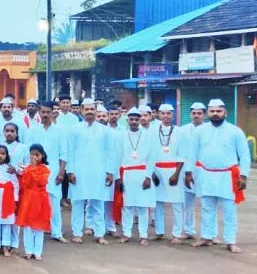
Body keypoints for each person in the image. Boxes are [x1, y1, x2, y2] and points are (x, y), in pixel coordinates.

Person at [185, 99, 250, 253]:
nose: (215, 114)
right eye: (212, 111)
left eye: (218, 111)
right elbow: (192, 153)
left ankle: (230, 241)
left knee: (229, 210)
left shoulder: (235, 131)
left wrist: (243, 176)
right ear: (208, 113)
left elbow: (244, 155)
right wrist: (188, 172)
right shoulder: (200, 131)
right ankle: (207, 237)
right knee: (207, 208)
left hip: (227, 176)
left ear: (225, 113)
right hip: (206, 174)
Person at [67, 98, 113, 244]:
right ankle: (77, 233)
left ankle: (99, 234)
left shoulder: (105, 130)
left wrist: (110, 172)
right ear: (81, 110)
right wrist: (70, 171)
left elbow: (110, 153)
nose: (89, 112)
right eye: (86, 109)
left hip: (99, 171)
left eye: (92, 109)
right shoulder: (74, 129)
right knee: (78, 203)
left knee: (98, 203)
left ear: (96, 111)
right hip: (78, 172)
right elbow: (70, 151)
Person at [24, 101, 67, 242]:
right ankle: (37, 229)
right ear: (39, 112)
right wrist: (30, 170)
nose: (45, 115)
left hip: (53, 170)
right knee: (36, 201)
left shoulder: (60, 131)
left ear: (53, 112)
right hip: (36, 171)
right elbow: (28, 152)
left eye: (48, 112)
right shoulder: (33, 130)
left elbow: (63, 153)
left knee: (54, 202)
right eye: (43, 112)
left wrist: (61, 172)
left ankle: (57, 232)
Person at [114, 107, 154, 246]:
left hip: (143, 174)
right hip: (127, 174)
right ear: (127, 120)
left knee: (143, 207)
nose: (134, 122)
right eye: (131, 119)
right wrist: (118, 178)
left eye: (137, 119)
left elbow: (151, 158)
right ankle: (126, 233)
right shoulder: (121, 136)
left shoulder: (147, 136)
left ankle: (143, 235)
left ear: (140, 120)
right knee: (127, 206)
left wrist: (148, 177)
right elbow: (117, 157)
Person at [151, 103, 185, 243]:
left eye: (168, 113)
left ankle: (176, 234)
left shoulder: (179, 132)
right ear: (159, 114)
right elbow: (149, 154)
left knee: (176, 203)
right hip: (157, 171)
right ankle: (159, 232)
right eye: (163, 113)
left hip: (173, 171)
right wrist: (152, 173)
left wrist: (176, 174)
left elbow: (182, 155)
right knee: (158, 203)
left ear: (173, 115)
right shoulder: (152, 131)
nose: (166, 116)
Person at [17, 144, 51, 261]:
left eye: (37, 155)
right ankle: (28, 251)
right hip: (28, 198)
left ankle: (37, 252)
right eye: (32, 154)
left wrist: (30, 169)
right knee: (27, 226)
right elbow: (25, 183)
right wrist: (27, 169)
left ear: (42, 156)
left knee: (39, 226)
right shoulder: (27, 168)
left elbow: (41, 182)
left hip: (40, 198)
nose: (34, 157)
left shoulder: (45, 169)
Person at [179, 102, 207, 239]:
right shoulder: (182, 130)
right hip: (187, 169)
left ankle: (210, 234)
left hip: (204, 169)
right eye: (194, 113)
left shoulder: (210, 130)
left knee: (207, 203)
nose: (196, 115)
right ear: (190, 114)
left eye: (199, 113)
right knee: (187, 202)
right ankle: (188, 230)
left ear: (204, 115)